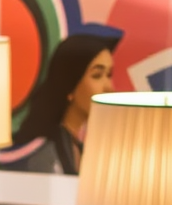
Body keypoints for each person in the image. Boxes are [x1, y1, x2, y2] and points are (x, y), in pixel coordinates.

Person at [10, 29, 120, 174]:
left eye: (109, 75)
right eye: (97, 75)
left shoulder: (79, 148)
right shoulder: (43, 152)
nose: (109, 88)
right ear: (70, 86)